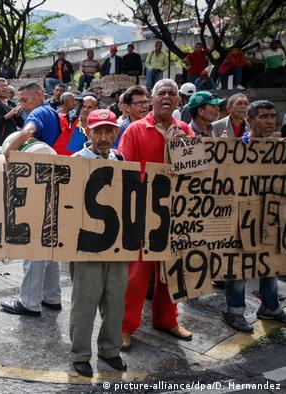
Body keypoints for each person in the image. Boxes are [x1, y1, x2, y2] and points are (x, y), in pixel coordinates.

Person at [118, 79, 193, 350]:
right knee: (137, 275)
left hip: (176, 213)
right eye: (161, 92)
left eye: (172, 93)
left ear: (178, 101)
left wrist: (183, 150)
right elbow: (125, 174)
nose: (167, 97)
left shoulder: (185, 130)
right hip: (143, 211)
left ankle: (167, 319)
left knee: (171, 270)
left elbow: (194, 174)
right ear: (151, 99)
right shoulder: (136, 130)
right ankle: (124, 327)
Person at [69, 109, 128, 378]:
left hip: (117, 244)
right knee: (85, 301)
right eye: (98, 131)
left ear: (116, 132)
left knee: (115, 299)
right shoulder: (74, 162)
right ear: (87, 132)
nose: (103, 137)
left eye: (108, 131)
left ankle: (110, 349)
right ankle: (81, 354)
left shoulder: (122, 160)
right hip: (86, 245)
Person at [0, 81, 62, 317]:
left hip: (39, 180)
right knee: (50, 241)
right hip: (57, 177)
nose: (22, 106)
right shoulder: (53, 113)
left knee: (34, 241)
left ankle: (29, 301)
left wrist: (7, 154)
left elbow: (27, 133)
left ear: (39, 95)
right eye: (20, 101)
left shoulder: (37, 113)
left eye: (25, 100)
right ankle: (52, 296)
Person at [222, 100, 285, 332]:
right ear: (249, 120)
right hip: (240, 217)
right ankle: (234, 311)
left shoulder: (280, 149)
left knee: (270, 261)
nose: (269, 121)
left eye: (272, 116)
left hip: (270, 214)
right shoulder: (236, 149)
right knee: (237, 264)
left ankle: (271, 307)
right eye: (263, 116)